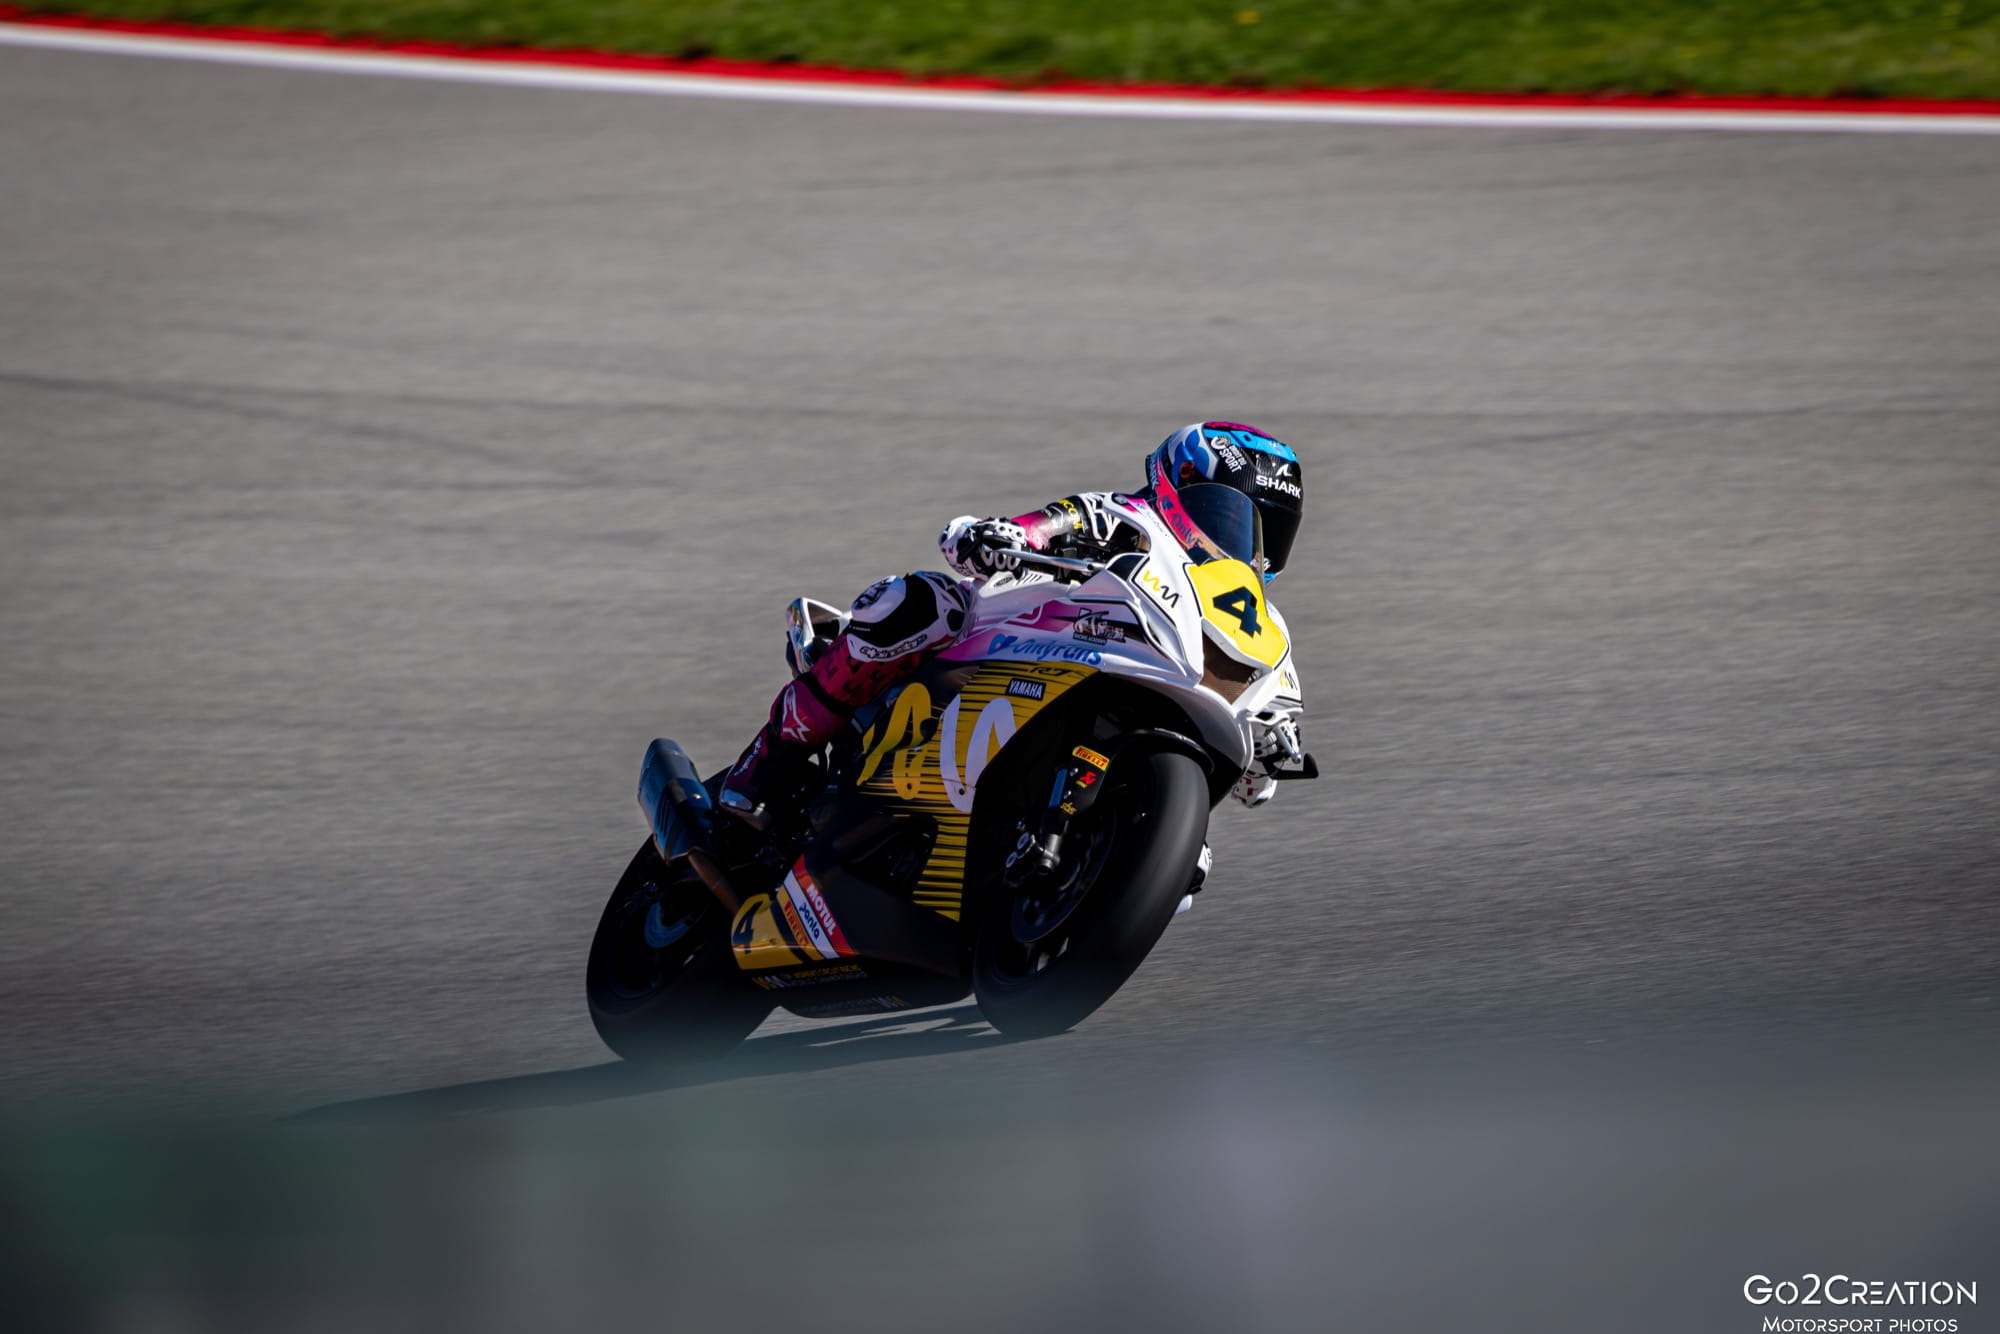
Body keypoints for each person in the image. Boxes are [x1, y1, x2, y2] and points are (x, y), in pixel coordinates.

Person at [718, 420, 1306, 829]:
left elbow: (1262, 767)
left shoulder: (1262, 625)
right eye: (1230, 512)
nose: (1245, 540)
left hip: (1143, 689)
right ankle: (767, 761)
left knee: (1191, 865)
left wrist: (1272, 745)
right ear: (1179, 484)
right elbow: (1057, 521)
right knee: (919, 602)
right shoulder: (1135, 520)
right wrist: (1005, 536)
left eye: (1266, 529)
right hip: (1017, 632)